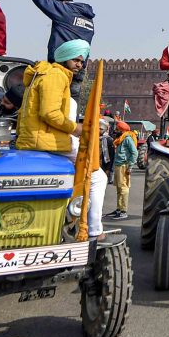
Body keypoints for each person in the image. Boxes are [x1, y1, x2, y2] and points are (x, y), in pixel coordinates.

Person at [15, 40, 121, 244]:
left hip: (36, 138)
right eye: (76, 59)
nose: (79, 65)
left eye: (82, 61)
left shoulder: (42, 74)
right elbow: (50, 113)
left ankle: (69, 214)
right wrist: (77, 129)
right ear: (64, 58)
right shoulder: (56, 75)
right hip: (46, 141)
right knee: (96, 173)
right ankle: (92, 229)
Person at [22, 0, 95, 100]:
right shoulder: (87, 19)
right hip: (79, 68)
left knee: (52, 99)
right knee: (71, 102)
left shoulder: (65, 11)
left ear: (59, 3)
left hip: (63, 66)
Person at [106, 121, 137, 220]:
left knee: (123, 189)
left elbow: (134, 153)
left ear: (122, 130)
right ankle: (118, 209)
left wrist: (130, 166)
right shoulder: (121, 139)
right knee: (119, 189)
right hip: (118, 165)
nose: (115, 131)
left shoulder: (127, 139)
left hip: (124, 166)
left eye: (117, 129)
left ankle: (123, 211)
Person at [99, 119, 115, 185]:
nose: (99, 130)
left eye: (100, 129)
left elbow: (111, 156)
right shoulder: (93, 138)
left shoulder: (109, 140)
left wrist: (109, 169)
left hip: (104, 164)